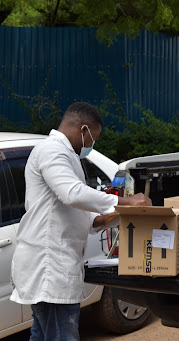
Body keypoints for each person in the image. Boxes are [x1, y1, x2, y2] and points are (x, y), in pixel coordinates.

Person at [10, 102, 152, 341]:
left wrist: (114, 216)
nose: (90, 145)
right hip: (49, 268)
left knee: (42, 335)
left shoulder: (65, 155)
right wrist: (126, 202)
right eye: (92, 138)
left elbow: (76, 213)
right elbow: (72, 193)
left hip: (53, 266)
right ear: (83, 129)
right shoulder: (52, 151)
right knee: (60, 335)